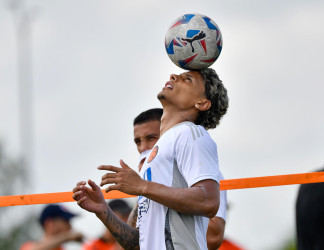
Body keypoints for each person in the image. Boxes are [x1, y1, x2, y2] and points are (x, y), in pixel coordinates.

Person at [72, 68, 229, 250]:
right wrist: (103, 210)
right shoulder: (158, 153)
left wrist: (141, 186)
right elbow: (138, 244)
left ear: (201, 103)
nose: (173, 76)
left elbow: (209, 201)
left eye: (187, 79)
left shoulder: (190, 132)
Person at [128, 108, 227, 249]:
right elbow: (138, 243)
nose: (143, 147)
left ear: (167, 134)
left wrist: (147, 187)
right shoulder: (146, 184)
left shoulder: (204, 171)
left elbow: (213, 238)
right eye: (138, 142)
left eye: (151, 138)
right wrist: (102, 211)